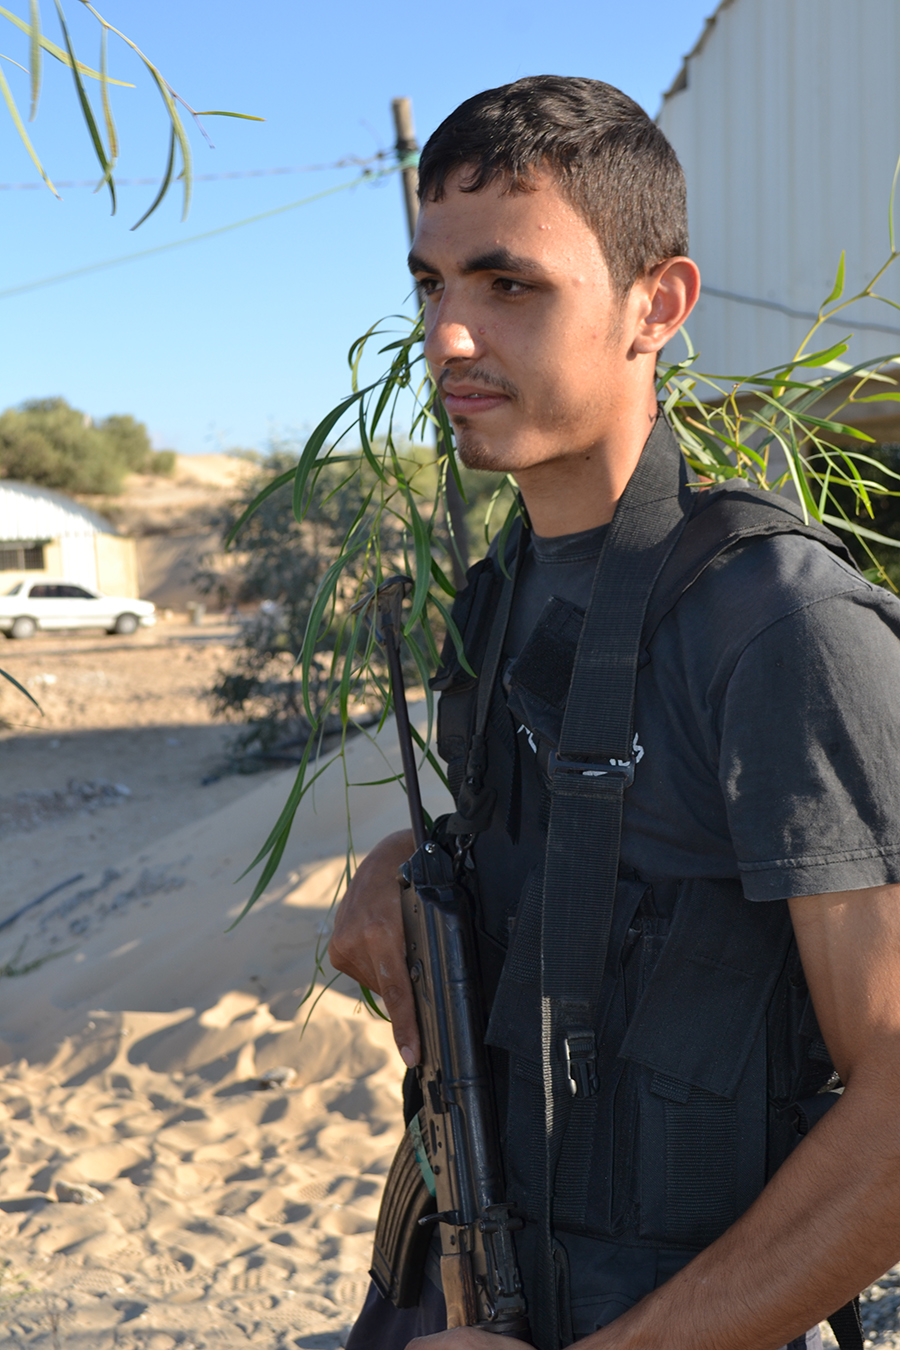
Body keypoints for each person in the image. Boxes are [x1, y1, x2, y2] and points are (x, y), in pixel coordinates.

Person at [330, 75, 900, 1350]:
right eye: (432, 285)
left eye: (510, 285)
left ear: (659, 304)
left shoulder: (781, 628)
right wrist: (403, 868)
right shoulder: (506, 592)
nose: (448, 338)